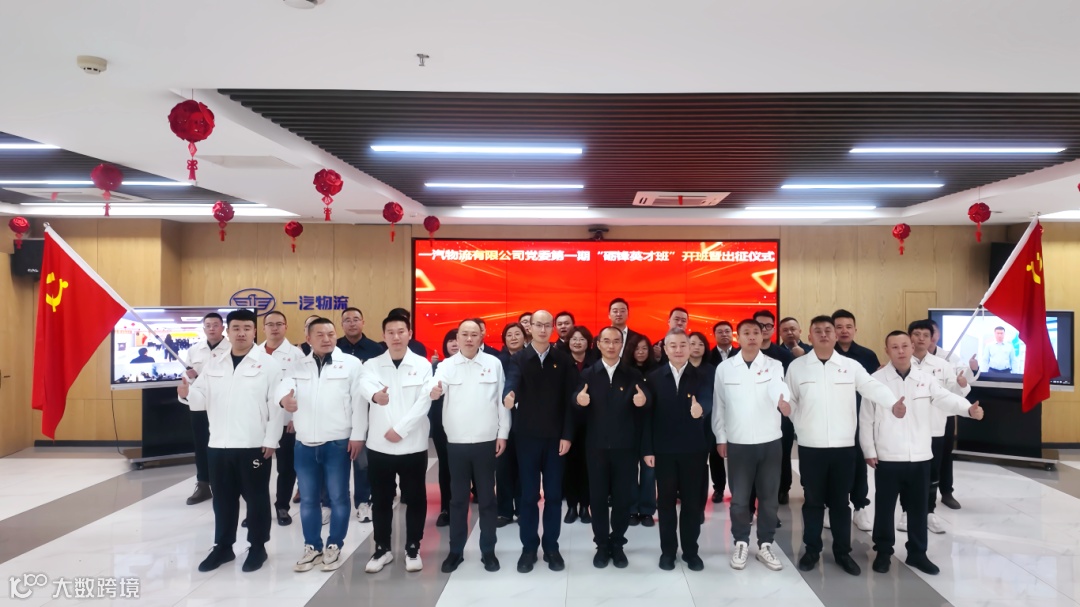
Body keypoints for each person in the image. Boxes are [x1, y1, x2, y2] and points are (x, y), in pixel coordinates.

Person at [785, 315, 900, 576]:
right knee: (813, 501)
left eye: (828, 330)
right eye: (818, 331)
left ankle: (842, 552)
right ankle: (812, 550)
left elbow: (872, 387)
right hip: (811, 447)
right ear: (810, 336)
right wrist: (795, 418)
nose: (824, 334)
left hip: (844, 447)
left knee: (840, 502)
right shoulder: (797, 367)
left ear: (835, 336)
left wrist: (892, 403)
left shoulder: (851, 366)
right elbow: (790, 401)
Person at [862, 331, 984, 575]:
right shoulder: (875, 380)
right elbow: (866, 419)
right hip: (888, 456)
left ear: (911, 347)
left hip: (920, 456)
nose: (901, 351)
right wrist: (868, 449)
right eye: (895, 347)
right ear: (887, 351)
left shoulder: (925, 379)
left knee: (918, 508)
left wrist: (967, 409)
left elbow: (945, 398)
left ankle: (917, 554)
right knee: (884, 508)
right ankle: (883, 552)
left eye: (904, 346)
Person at [178, 309, 283, 573]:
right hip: (218, 445)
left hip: (253, 445)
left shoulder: (268, 364)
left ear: (254, 331)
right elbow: (200, 398)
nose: (241, 333)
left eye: (247, 328)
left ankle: (257, 547)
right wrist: (186, 393)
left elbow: (276, 405)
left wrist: (272, 439)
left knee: (257, 499)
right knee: (222, 500)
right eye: (236, 328)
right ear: (228, 331)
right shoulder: (215, 363)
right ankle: (223, 547)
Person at [278, 317, 376, 573]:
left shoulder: (351, 364)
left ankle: (334, 544)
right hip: (304, 442)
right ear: (308, 339)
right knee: (309, 499)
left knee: (338, 496)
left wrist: (358, 435)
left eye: (331, 334)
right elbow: (284, 388)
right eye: (320, 334)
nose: (326, 339)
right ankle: (312, 546)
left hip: (337, 441)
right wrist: (284, 401)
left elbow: (359, 403)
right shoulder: (297, 365)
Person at [430, 320, 511, 573]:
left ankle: (488, 551)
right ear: (457, 337)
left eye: (474, 334)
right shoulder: (446, 366)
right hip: (457, 443)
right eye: (464, 334)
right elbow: (435, 385)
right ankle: (456, 551)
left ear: (481, 337)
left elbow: (502, 401)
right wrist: (433, 391)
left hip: (486, 442)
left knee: (487, 499)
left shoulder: (493, 363)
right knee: (457, 500)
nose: (468, 339)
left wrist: (503, 433)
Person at [503, 310, 578, 573]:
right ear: (530, 328)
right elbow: (512, 382)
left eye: (548, 325)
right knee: (528, 495)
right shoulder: (519, 358)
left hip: (556, 439)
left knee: (554, 495)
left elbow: (571, 400)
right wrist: (509, 395)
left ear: (553, 328)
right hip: (527, 437)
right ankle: (528, 548)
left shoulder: (563, 359)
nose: (543, 330)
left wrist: (567, 435)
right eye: (539, 325)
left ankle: (551, 547)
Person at [713, 319, 791, 571]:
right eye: (746, 332)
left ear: (762, 335)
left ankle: (766, 544)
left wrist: (784, 402)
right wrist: (721, 437)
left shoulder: (774, 365)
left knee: (768, 497)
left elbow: (780, 389)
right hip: (739, 442)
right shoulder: (725, 368)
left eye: (756, 332)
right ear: (738, 337)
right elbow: (719, 405)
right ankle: (741, 542)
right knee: (739, 499)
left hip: (770, 441)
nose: (752, 336)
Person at [362, 314, 433, 573]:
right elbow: (365, 387)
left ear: (409, 334)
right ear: (383, 336)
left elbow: (424, 401)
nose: (396, 336)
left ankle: (413, 546)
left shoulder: (422, 365)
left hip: (412, 444)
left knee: (415, 498)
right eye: (390, 332)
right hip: (379, 445)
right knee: (381, 499)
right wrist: (375, 396)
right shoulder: (372, 365)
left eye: (401, 331)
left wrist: (401, 430)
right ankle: (382, 548)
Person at [574, 326, 649, 569]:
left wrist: (644, 401)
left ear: (621, 344)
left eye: (616, 341)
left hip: (625, 447)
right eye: (606, 341)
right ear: (598, 344)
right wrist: (578, 401)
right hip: (595, 447)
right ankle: (601, 544)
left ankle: (617, 543)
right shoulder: (588, 374)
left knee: (622, 498)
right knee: (597, 498)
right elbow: (574, 403)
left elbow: (647, 402)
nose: (611, 345)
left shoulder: (632, 374)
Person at [643, 330, 710, 572]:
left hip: (694, 449)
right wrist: (648, 449)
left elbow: (709, 401)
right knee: (666, 503)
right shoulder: (653, 378)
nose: (679, 350)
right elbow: (647, 418)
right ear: (665, 349)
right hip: (664, 451)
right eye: (673, 345)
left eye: (683, 345)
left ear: (690, 348)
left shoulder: (703, 376)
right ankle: (668, 552)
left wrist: (701, 410)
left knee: (692, 503)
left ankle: (691, 551)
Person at [906, 320, 971, 534]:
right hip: (908, 427)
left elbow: (952, 393)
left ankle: (929, 512)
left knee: (933, 471)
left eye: (926, 335)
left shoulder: (942, 365)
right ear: (910, 337)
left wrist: (962, 386)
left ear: (932, 338)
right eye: (917, 334)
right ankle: (907, 512)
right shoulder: (902, 361)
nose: (921, 338)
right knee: (910, 471)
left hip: (935, 426)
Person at [832, 308, 880, 532]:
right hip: (832, 417)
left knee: (860, 463)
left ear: (855, 329)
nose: (844, 331)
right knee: (835, 463)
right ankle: (832, 504)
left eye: (848, 327)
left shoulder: (867, 355)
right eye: (839, 327)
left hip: (860, 416)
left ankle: (860, 507)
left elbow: (874, 387)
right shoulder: (824, 354)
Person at [259, 310, 306, 526]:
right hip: (260, 422)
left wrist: (297, 417)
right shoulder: (254, 353)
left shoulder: (297, 355)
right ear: (263, 328)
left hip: (287, 421)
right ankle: (257, 510)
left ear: (286, 327)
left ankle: (282, 507)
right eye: (270, 324)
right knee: (257, 469)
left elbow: (303, 389)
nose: (274, 328)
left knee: (286, 468)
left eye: (279, 324)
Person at [928, 320, 980, 510]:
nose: (928, 338)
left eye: (932, 333)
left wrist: (972, 369)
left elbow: (964, 378)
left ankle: (946, 492)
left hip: (946, 413)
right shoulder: (912, 358)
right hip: (921, 415)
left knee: (945, 454)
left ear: (937, 335)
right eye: (921, 334)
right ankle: (921, 494)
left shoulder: (949, 356)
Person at [181, 312, 230, 506]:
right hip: (199, 405)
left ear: (222, 328)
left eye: (215, 325)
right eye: (208, 325)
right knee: (201, 444)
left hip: (224, 404)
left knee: (224, 444)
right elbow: (186, 377)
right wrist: (190, 376)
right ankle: (203, 484)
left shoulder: (231, 348)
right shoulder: (195, 350)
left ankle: (224, 484)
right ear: (203, 329)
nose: (211, 328)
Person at [335, 312, 379, 525]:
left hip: (366, 413)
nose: (351, 323)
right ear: (341, 324)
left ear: (363, 322)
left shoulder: (376, 349)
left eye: (355, 320)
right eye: (347, 320)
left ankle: (363, 502)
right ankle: (332, 504)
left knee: (362, 463)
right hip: (336, 415)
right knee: (336, 463)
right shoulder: (334, 348)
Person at [752, 310, 796, 507]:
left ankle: (783, 488)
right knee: (754, 456)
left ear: (773, 328)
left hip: (780, 415)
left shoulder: (784, 356)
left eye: (768, 325)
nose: (764, 329)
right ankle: (753, 493)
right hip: (752, 415)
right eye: (759, 325)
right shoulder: (740, 354)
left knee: (781, 453)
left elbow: (791, 385)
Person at [623, 331, 658, 526]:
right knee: (629, 470)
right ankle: (631, 509)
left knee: (649, 470)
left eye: (645, 348)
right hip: (629, 427)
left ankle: (647, 510)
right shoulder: (624, 372)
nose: (641, 352)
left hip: (651, 426)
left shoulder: (657, 371)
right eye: (637, 348)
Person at [564, 326, 596, 525]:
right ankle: (571, 506)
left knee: (587, 467)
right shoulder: (562, 363)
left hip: (590, 423)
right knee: (569, 467)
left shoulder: (595, 364)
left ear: (588, 343)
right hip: (567, 423)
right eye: (574, 339)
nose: (577, 342)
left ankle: (585, 506)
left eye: (581, 339)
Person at [496, 323, 526, 527]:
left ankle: (523, 509)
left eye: (517, 334)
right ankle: (504, 511)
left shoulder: (530, 359)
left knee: (525, 467)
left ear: (525, 337)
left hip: (526, 419)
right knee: (503, 467)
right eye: (509, 335)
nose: (513, 337)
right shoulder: (497, 362)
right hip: (501, 419)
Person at [689, 332, 723, 512]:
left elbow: (715, 398)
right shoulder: (680, 368)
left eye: (700, 344)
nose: (696, 347)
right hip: (683, 425)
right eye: (692, 343)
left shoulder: (712, 370)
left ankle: (699, 505)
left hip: (707, 424)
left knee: (703, 465)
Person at [429, 329, 459, 527]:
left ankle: (463, 502)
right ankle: (446, 508)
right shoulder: (437, 368)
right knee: (445, 465)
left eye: (457, 340)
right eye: (450, 341)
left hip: (466, 424)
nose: (454, 343)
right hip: (441, 425)